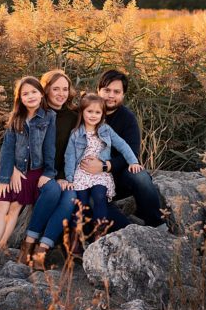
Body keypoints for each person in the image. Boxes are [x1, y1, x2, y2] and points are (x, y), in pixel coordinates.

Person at [0, 77, 56, 268]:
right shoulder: (16, 118)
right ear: (20, 98)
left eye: (34, 92)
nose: (30, 96)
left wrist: (49, 172)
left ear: (41, 94)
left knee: (14, 207)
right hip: (12, 170)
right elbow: (7, 149)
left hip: (32, 172)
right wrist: (6, 176)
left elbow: (49, 147)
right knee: (0, 207)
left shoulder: (49, 117)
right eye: (25, 94)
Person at [73, 69, 163, 231]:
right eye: (107, 90)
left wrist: (105, 166)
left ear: (123, 95)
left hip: (118, 176)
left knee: (140, 176)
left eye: (116, 92)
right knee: (93, 200)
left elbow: (132, 152)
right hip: (89, 177)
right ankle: (131, 231)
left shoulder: (127, 118)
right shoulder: (84, 113)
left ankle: (156, 224)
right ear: (98, 90)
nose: (111, 96)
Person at [59, 92, 143, 240]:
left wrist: (133, 161)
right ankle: (77, 237)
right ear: (82, 112)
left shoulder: (106, 130)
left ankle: (100, 232)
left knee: (99, 196)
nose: (93, 115)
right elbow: (69, 157)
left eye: (97, 112)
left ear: (102, 114)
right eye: (89, 111)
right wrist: (70, 178)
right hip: (81, 173)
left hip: (100, 173)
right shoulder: (76, 133)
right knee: (81, 203)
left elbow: (123, 145)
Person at [17, 69, 79, 268]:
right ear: (45, 90)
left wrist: (63, 176)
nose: (61, 94)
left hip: (63, 174)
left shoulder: (74, 117)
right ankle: (27, 245)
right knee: (52, 190)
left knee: (70, 197)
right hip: (37, 172)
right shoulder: (36, 114)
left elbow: (74, 150)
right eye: (56, 89)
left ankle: (41, 251)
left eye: (65, 89)